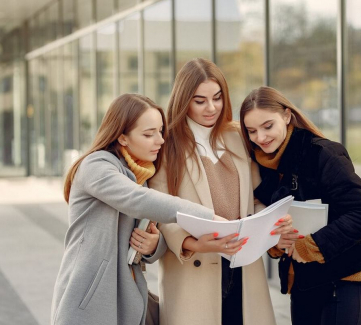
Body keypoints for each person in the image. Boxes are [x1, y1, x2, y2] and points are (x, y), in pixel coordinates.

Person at [50, 94, 234, 325]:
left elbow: (143, 247)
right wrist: (210, 218)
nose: (160, 141)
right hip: (89, 301)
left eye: (160, 132)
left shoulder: (141, 175)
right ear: (122, 137)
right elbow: (139, 200)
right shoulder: (96, 166)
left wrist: (153, 245)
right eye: (148, 134)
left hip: (128, 298)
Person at [149, 59, 290, 325]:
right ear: (183, 101)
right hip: (194, 268)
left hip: (244, 265)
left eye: (217, 98)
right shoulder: (167, 145)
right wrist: (194, 244)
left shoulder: (239, 137)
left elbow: (256, 198)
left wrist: (271, 224)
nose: (211, 108)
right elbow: (159, 210)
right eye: (200, 101)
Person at [239, 86, 361, 325]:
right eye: (252, 131)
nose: (261, 137)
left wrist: (311, 245)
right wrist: (275, 241)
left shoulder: (323, 154)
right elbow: (270, 218)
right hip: (303, 283)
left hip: (345, 279)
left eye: (268, 126)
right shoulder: (263, 167)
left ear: (287, 116)